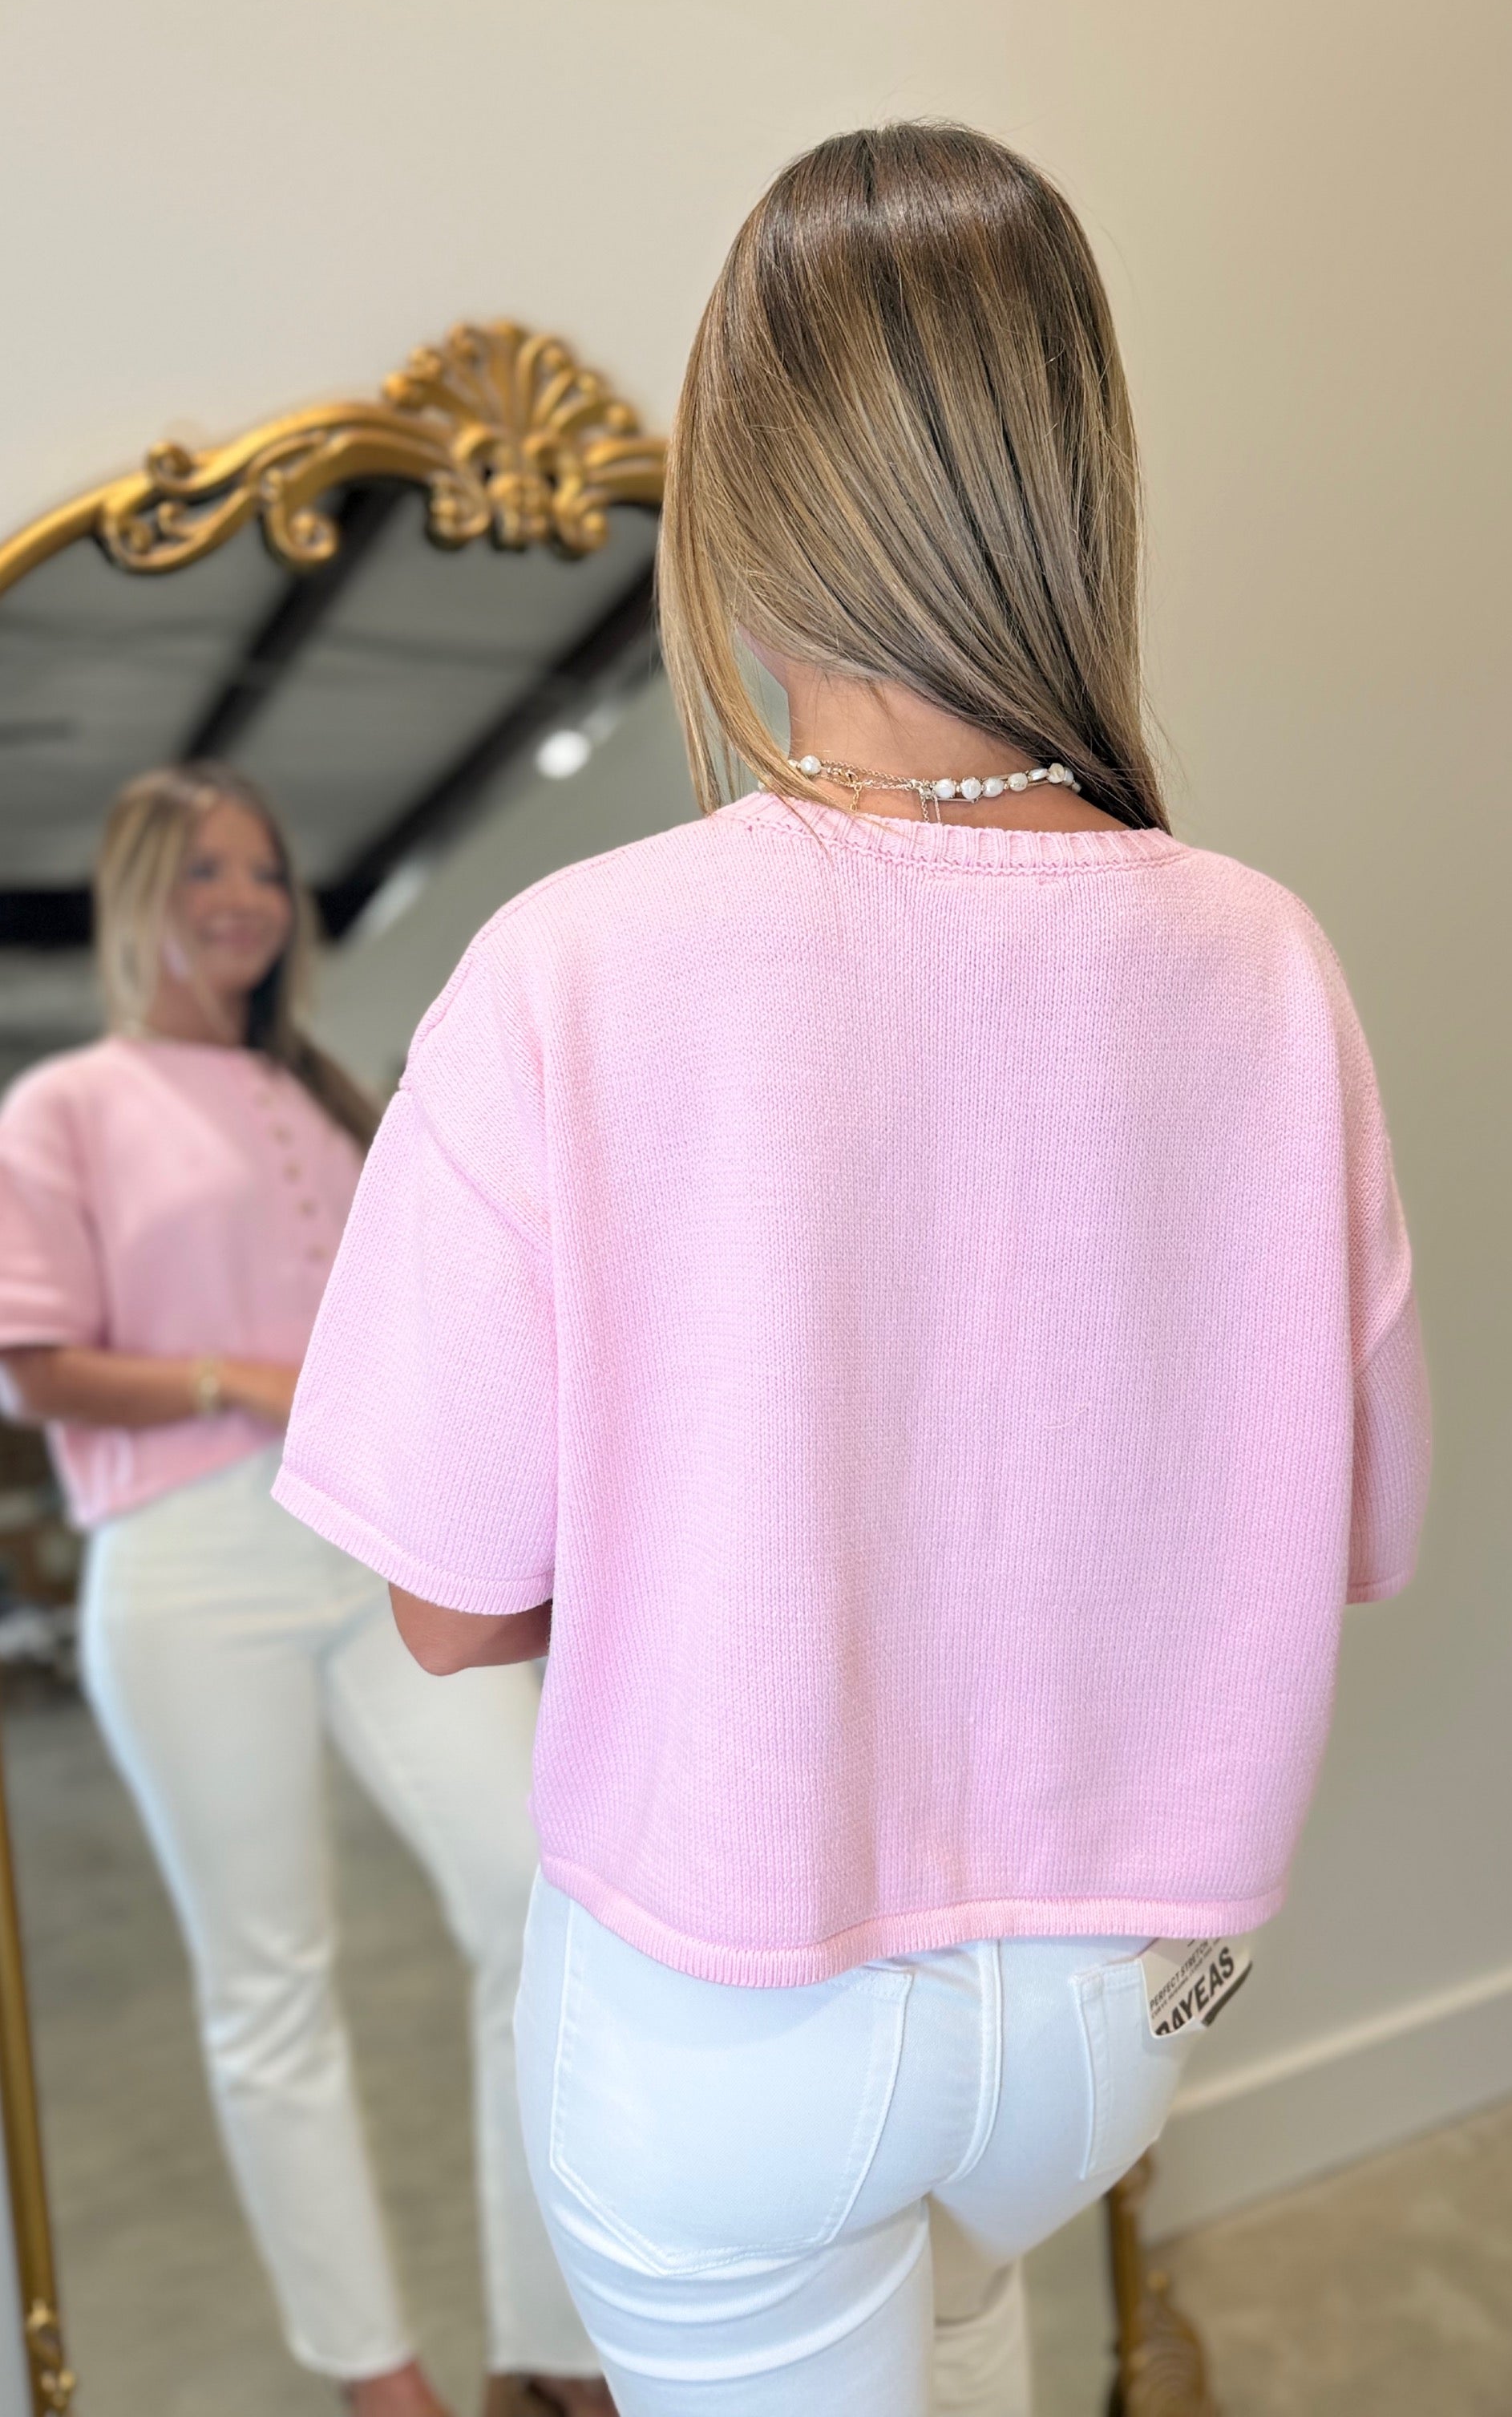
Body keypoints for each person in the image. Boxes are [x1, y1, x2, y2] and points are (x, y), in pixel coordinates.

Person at [273, 122, 1432, 2417]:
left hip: (731, 2004)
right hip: (1114, 2007)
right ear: (1077, 482)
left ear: (745, 500)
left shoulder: (574, 969)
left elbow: (448, 1611)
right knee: (972, 2341)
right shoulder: (1267, 964)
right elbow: (1348, 1525)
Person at [0, 763, 612, 2417]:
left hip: (380, 1535)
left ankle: (552, 2352)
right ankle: (377, 2379)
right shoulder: (65, 1106)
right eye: (205, 868)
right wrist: (238, 1378)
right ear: (137, 890)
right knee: (270, 1977)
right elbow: (31, 1367)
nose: (245, 900)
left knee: (539, 1890)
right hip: (189, 1561)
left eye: (266, 871)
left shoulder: (324, 1091)